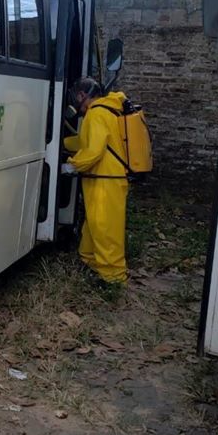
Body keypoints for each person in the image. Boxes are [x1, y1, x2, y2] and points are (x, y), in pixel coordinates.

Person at [61, 77, 129, 283]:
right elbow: (86, 140)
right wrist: (58, 142)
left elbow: (93, 150)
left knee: (106, 229)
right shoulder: (107, 110)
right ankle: (90, 261)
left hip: (106, 180)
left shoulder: (97, 113)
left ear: (83, 95)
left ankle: (113, 278)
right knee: (94, 224)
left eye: (76, 96)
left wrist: (71, 165)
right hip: (104, 178)